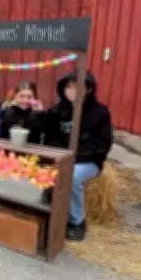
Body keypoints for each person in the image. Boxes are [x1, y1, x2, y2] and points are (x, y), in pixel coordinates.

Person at [42, 71, 113, 241]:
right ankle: (47, 212)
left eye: (77, 87)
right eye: (68, 87)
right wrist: (37, 115)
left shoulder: (100, 112)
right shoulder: (57, 110)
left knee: (72, 175)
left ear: (88, 89)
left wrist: (75, 156)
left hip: (88, 161)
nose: (72, 91)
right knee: (42, 171)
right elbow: (49, 137)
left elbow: (103, 144)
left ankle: (77, 221)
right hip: (62, 158)